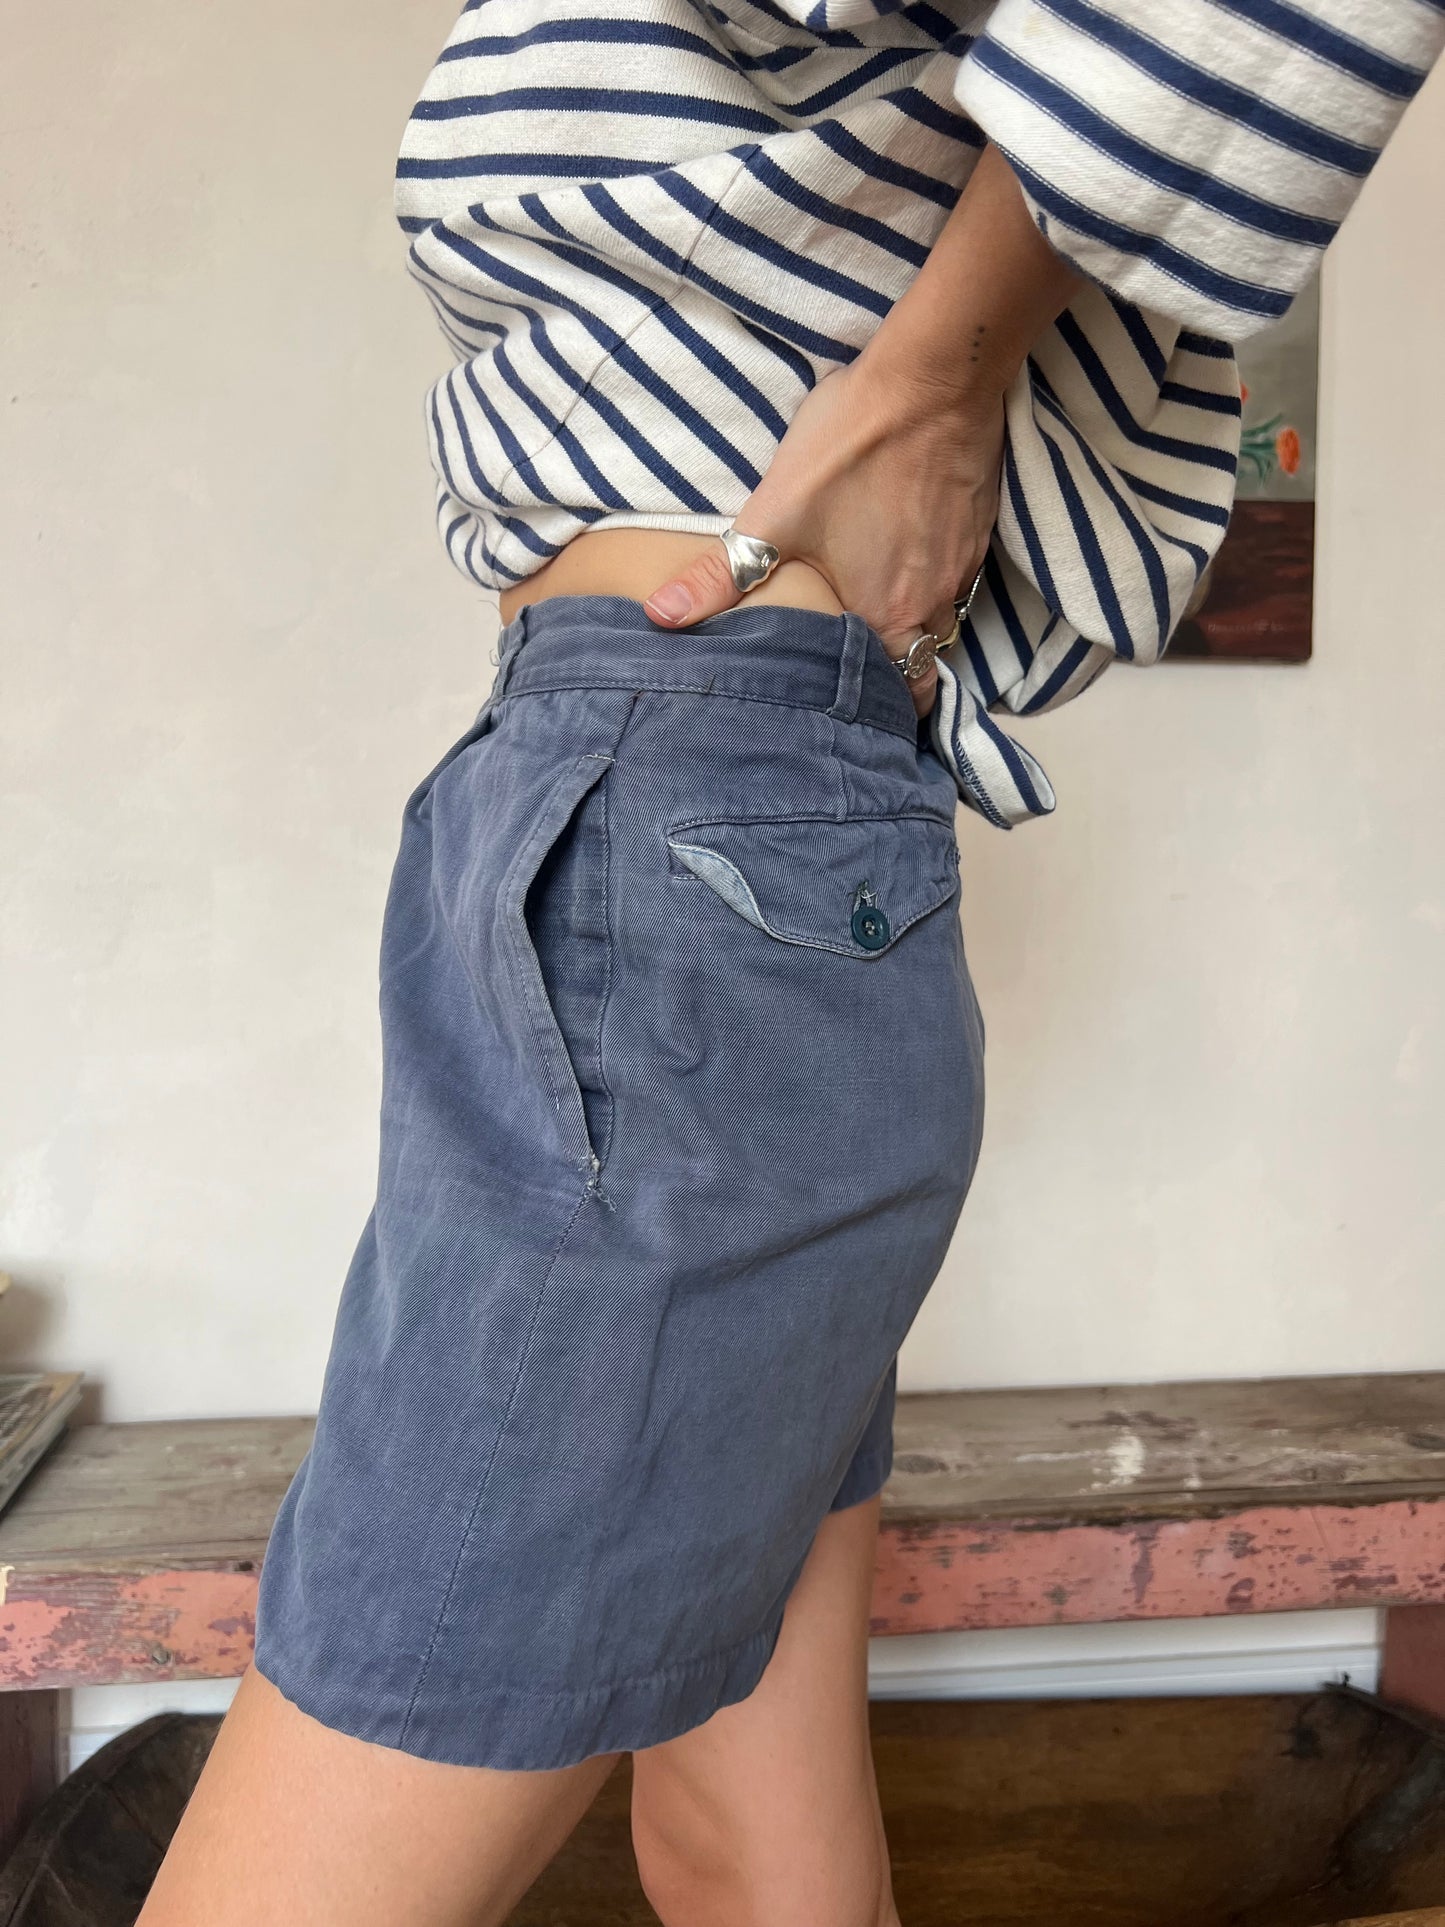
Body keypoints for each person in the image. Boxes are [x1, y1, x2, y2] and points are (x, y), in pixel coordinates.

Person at [139, 3, 1442, 1922]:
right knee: (753, 1834)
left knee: (401, 1757)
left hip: (696, 800)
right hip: (687, 797)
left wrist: (939, 377)